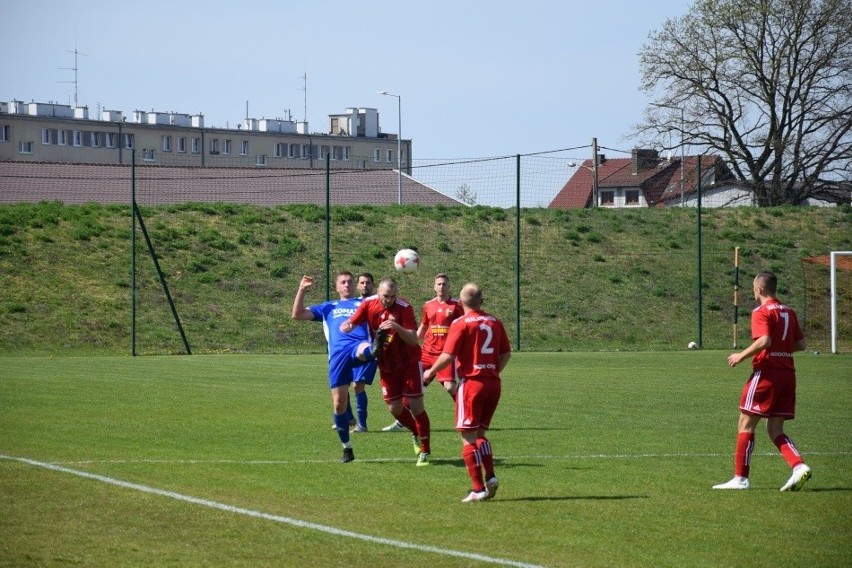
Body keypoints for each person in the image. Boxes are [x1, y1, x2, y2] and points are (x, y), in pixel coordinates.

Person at [713, 272, 811, 491]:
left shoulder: (761, 311)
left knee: (745, 423)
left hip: (767, 374)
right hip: (788, 375)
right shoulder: (789, 311)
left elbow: (764, 340)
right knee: (775, 428)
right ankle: (799, 466)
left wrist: (741, 356)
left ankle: (740, 478)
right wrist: (780, 349)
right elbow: (801, 344)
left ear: (758, 289)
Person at [423, 283, 511, 502]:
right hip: (493, 384)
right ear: (482, 300)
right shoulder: (495, 321)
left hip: (472, 384)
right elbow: (506, 353)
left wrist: (430, 372)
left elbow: (448, 356)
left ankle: (477, 488)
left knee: (467, 438)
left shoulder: (460, 323)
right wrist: (490, 370)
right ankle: (490, 477)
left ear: (460, 303)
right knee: (480, 434)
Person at [341, 277, 433, 466]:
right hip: (386, 364)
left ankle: (425, 451)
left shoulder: (404, 307)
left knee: (416, 407)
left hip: (409, 362)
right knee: (394, 408)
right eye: (385, 296)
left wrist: (396, 327)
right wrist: (347, 326)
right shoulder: (369, 304)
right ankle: (416, 432)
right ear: (378, 293)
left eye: (392, 296)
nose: (389, 300)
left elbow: (414, 340)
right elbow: (353, 322)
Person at [291, 272, 375, 463]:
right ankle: (347, 449)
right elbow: (297, 315)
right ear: (337, 287)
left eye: (350, 282)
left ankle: (373, 350)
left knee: (364, 349)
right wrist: (302, 289)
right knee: (339, 405)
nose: (347, 285)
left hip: (357, 346)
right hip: (337, 356)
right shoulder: (328, 307)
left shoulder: (364, 304)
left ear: (354, 286)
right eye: (343, 282)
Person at [382, 273, 464, 433]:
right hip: (427, 353)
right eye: (439, 284)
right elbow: (424, 327)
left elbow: (464, 326)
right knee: (412, 387)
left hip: (446, 354)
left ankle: (466, 415)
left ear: (449, 287)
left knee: (450, 387)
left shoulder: (457, 305)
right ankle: (401, 422)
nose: (441, 287)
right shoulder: (428, 305)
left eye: (444, 284)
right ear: (434, 287)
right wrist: (411, 339)